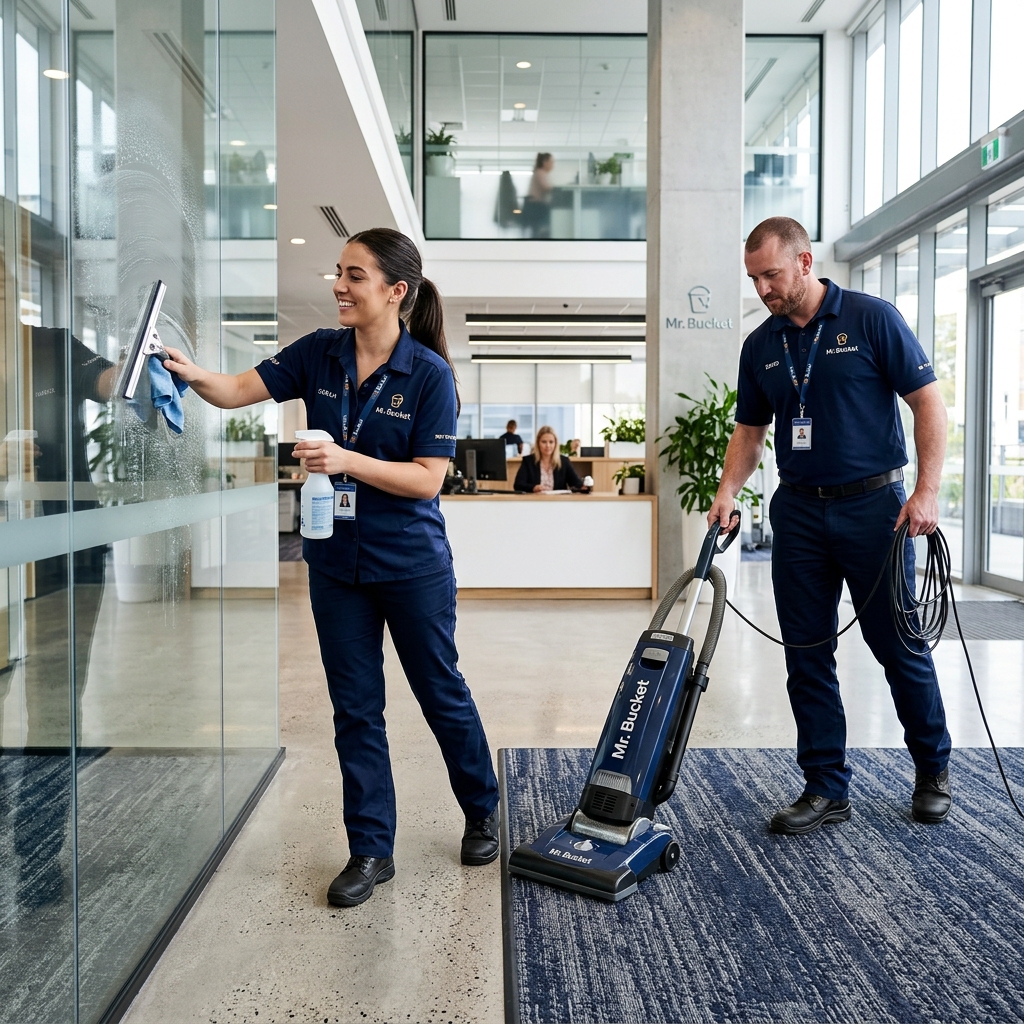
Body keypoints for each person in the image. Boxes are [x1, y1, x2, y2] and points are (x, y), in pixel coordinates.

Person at [162, 227, 501, 907]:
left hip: (411, 564)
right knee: (355, 707)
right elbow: (235, 389)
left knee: (439, 689)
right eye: (337, 273)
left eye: (354, 275)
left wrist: (346, 460)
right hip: (335, 562)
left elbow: (428, 479)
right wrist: (189, 373)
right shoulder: (318, 352)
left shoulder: (429, 374)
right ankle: (371, 848)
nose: (339, 286)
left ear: (396, 291)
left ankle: (483, 808)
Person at [708, 216, 952, 835]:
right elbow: (749, 431)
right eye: (753, 278)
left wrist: (925, 491)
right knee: (807, 653)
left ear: (805, 261)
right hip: (798, 513)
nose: (762, 288)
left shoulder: (872, 319)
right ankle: (825, 786)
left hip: (876, 510)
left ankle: (932, 769)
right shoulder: (760, 345)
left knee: (898, 646)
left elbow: (927, 402)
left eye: (771, 274)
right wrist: (728, 489)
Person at [514, 425, 583, 492]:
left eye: (551, 442)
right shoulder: (528, 461)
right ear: (538, 443)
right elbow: (518, 485)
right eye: (544, 442)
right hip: (535, 499)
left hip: (558, 499)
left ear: (555, 444)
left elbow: (577, 483)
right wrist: (533, 488)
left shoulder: (564, 461)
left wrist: (584, 486)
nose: (548, 445)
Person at [523, 153, 554, 238]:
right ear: (545, 162)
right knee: (539, 229)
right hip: (536, 206)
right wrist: (556, 189)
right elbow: (545, 187)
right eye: (551, 162)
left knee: (536, 229)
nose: (552, 165)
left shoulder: (540, 172)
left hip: (535, 206)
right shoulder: (540, 172)